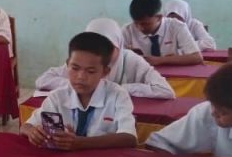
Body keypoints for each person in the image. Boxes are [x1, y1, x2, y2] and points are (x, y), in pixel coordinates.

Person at [21, 31, 137, 151]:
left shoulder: (117, 95)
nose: (81, 77)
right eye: (75, 68)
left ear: (105, 72)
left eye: (90, 71)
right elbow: (25, 126)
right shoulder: (58, 96)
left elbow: (129, 138)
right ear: (67, 64)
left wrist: (81, 143)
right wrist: (33, 132)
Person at [35, 18, 175, 99]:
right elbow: (43, 80)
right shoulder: (85, 59)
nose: (101, 55)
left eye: (109, 48)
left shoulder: (132, 60)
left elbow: (166, 91)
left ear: (119, 45)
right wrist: (77, 85)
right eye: (93, 47)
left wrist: (118, 89)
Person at [121, 0, 203, 66]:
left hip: (172, 75)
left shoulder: (176, 26)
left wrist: (161, 60)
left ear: (159, 17)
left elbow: (196, 57)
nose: (140, 28)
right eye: (136, 23)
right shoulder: (127, 30)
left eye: (145, 24)